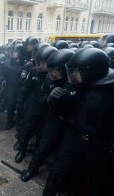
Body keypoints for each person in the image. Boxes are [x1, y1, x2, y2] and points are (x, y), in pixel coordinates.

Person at [43, 48, 114, 196]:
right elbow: (65, 113)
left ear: (92, 72)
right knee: (57, 172)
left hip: (99, 145)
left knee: (95, 182)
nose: (73, 75)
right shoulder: (77, 85)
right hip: (73, 137)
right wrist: (55, 101)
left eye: (77, 71)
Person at [20, 49, 75, 182]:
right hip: (53, 119)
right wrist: (50, 98)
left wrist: (67, 98)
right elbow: (41, 96)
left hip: (70, 124)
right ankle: (32, 169)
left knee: (64, 154)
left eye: (55, 70)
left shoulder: (75, 85)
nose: (52, 74)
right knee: (43, 146)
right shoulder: (50, 81)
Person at [14, 46, 58, 163]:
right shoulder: (34, 72)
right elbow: (25, 89)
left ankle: (35, 153)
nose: (40, 66)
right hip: (33, 105)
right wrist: (20, 104)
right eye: (40, 62)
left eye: (44, 63)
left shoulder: (56, 78)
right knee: (26, 129)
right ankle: (22, 150)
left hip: (47, 109)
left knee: (41, 133)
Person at [14, 42, 49, 143]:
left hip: (43, 102)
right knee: (25, 121)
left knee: (40, 127)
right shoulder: (31, 67)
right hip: (30, 99)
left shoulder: (51, 71)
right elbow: (23, 84)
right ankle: (21, 142)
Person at [4, 43, 25, 130]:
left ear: (20, 52)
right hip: (11, 87)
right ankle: (10, 121)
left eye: (16, 52)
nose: (13, 53)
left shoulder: (25, 64)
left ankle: (20, 124)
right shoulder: (10, 62)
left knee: (20, 107)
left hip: (20, 88)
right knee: (10, 106)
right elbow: (6, 75)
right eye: (13, 51)